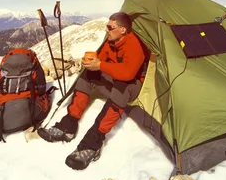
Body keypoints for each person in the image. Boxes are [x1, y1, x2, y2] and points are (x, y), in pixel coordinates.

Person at [38, 12, 147, 170]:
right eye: (106, 26)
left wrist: (101, 66)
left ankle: (92, 144)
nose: (106, 30)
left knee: (121, 89)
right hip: (115, 80)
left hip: (133, 85)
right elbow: (100, 58)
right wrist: (90, 64)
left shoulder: (134, 45)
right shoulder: (111, 42)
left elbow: (128, 73)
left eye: (110, 27)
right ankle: (68, 126)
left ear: (123, 30)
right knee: (86, 76)